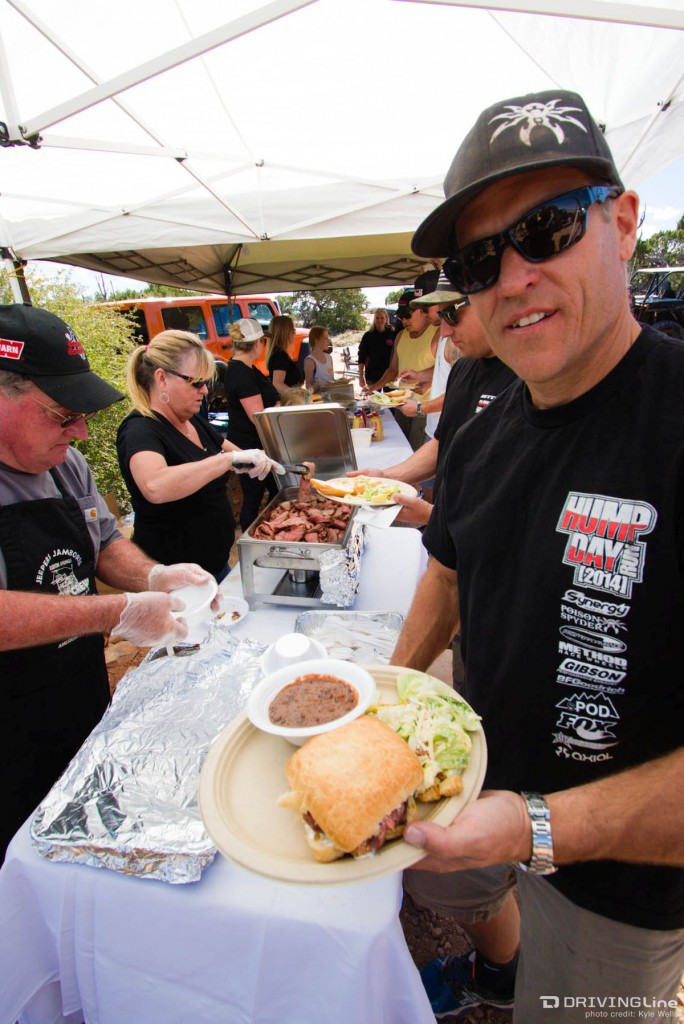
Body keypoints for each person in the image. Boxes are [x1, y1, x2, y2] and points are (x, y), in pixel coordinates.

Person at [391, 89, 684, 1021]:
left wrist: (536, 826)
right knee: (450, 903)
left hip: (622, 884)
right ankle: (498, 974)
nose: (512, 276)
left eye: (547, 229)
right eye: (480, 258)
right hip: (475, 797)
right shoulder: (481, 425)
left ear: (624, 223)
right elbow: (447, 567)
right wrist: (389, 700)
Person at [0, 304, 219, 862]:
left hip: (75, 688)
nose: (80, 430)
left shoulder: (64, 464)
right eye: (60, 414)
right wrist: (113, 613)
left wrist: (154, 574)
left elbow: (102, 543)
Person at [117, 329, 282, 582]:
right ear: (161, 379)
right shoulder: (140, 429)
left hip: (214, 567)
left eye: (206, 382)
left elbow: (231, 450)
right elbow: (155, 485)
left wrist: (261, 460)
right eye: (196, 382)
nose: (205, 391)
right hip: (174, 580)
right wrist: (225, 462)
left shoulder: (192, 420)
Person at [222, 318, 282, 531]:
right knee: (253, 497)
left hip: (257, 445)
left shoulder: (245, 368)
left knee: (275, 491)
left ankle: (269, 529)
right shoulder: (241, 372)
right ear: (258, 343)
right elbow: (258, 418)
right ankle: (252, 538)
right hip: (250, 446)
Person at [372, 291, 439, 450]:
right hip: (401, 405)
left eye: (408, 316)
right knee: (400, 448)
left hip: (425, 408)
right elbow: (393, 370)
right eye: (401, 317)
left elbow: (448, 369)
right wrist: (374, 388)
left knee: (416, 452)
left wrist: (421, 376)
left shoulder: (438, 334)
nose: (404, 321)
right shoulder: (401, 336)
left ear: (423, 312)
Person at [357, 308, 395, 391]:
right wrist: (360, 376)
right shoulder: (368, 336)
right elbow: (361, 357)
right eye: (377, 318)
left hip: (389, 374)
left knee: (391, 401)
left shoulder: (392, 334)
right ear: (374, 320)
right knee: (373, 400)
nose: (379, 320)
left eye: (382, 318)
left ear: (386, 319)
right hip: (372, 374)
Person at [266, 314, 303, 395]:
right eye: (292, 330)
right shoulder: (280, 355)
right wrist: (298, 396)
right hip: (288, 401)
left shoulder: (278, 353)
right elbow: (278, 385)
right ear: (285, 332)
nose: (294, 333)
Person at [303, 326, 335, 390]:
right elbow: (308, 388)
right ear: (316, 340)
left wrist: (340, 382)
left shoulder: (329, 358)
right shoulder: (310, 361)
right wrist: (319, 385)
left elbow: (331, 380)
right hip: (319, 398)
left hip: (332, 396)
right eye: (325, 338)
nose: (328, 341)